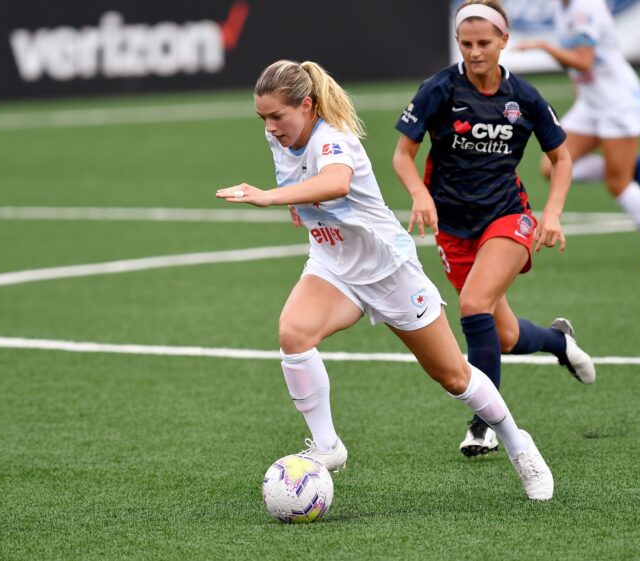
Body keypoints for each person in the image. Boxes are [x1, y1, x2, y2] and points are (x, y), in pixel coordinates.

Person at [216, 59, 555, 500]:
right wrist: (300, 206)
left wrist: (271, 198)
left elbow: (336, 183)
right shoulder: (277, 136)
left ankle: (518, 443)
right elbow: (306, 181)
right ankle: (327, 446)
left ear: (307, 104)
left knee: (453, 376)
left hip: (387, 270)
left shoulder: (333, 141)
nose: (271, 127)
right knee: (293, 333)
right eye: (263, 118)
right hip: (333, 266)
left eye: (278, 116)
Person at [392, 0, 596, 458]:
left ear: (504, 40)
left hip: (508, 215)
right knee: (501, 335)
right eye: (466, 43)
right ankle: (558, 342)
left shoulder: (523, 97)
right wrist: (420, 196)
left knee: (473, 305)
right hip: (454, 227)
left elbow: (561, 159)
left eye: (484, 43)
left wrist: (554, 213)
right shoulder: (439, 89)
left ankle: (485, 423)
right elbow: (402, 155)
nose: (475, 51)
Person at [515, 0, 640, 269]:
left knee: (618, 184)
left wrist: (545, 47)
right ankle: (635, 164)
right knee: (551, 166)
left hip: (618, 102)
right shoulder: (563, 8)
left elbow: (584, 61)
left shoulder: (585, 8)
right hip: (591, 104)